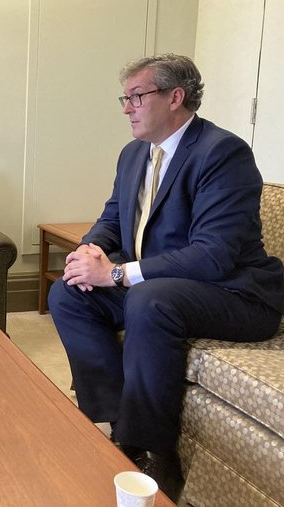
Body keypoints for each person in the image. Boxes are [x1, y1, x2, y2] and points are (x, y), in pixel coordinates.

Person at [48, 53, 284, 501]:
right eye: (125, 98)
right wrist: (88, 251)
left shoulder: (222, 153)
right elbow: (112, 218)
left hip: (235, 293)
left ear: (175, 97)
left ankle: (156, 453)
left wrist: (116, 273)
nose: (126, 108)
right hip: (163, 287)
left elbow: (213, 256)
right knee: (68, 293)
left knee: (147, 299)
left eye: (137, 96)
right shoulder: (133, 154)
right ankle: (121, 425)